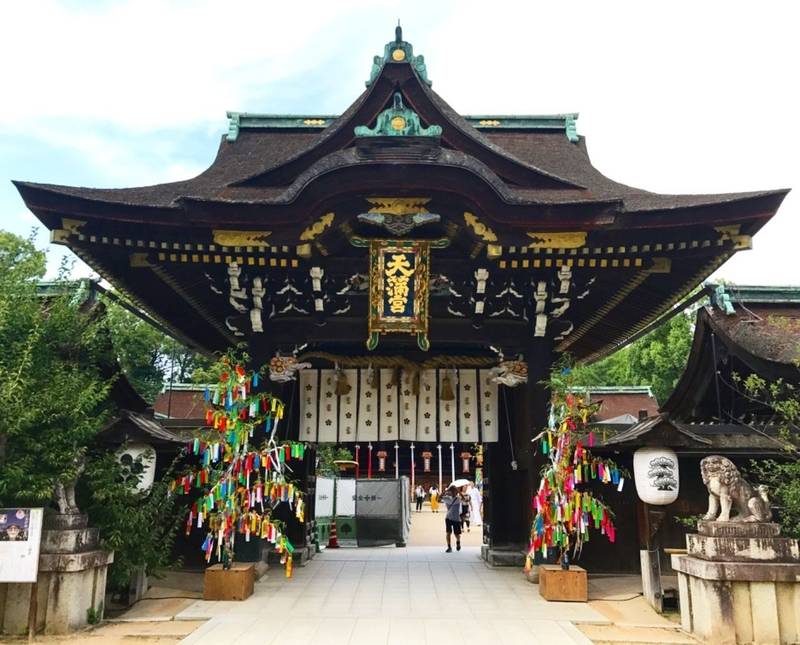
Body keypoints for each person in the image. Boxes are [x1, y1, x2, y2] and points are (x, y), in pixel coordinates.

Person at [441, 485, 463, 552]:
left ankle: (458, 542)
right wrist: (446, 490)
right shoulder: (447, 498)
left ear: (456, 492)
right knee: (448, 532)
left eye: (454, 491)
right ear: (450, 492)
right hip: (448, 518)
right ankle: (449, 547)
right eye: (452, 491)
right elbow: (438, 497)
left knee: (457, 533)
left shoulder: (458, 498)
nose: (453, 492)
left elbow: (464, 498)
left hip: (456, 518)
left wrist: (458, 490)